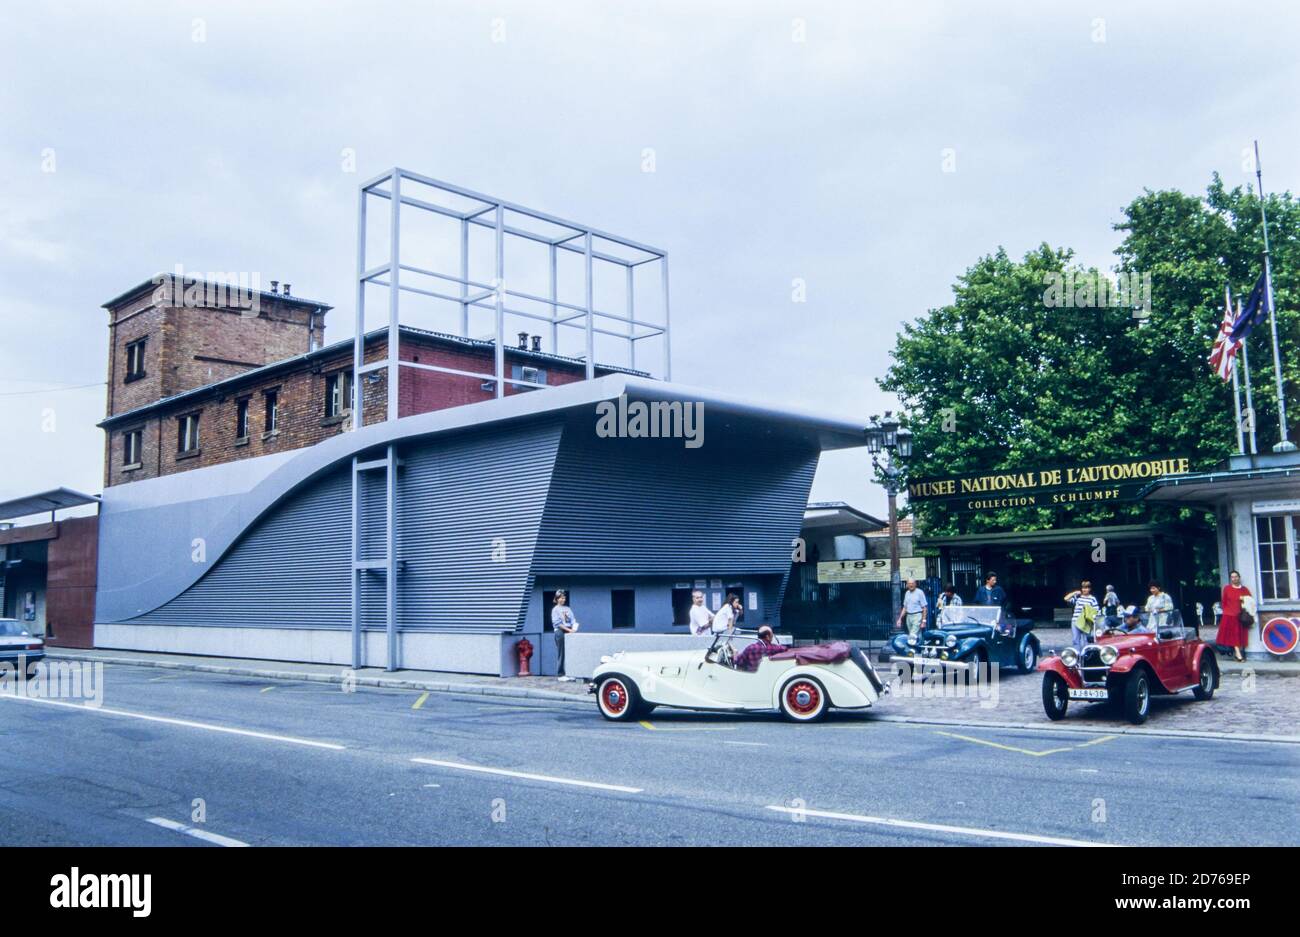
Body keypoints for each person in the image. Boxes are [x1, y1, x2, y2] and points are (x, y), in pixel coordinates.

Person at [1217, 571, 1251, 662]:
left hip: (1240, 616)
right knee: (1233, 636)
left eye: (1236, 576)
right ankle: (1238, 654)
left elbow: (1250, 601)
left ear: (1239, 577)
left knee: (1239, 635)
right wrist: (1226, 611)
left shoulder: (1244, 590)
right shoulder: (1227, 588)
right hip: (1229, 615)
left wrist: (1243, 599)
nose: (1234, 578)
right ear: (1230, 579)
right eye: (1232, 577)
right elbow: (1224, 602)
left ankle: (1237, 653)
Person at [1063, 580, 1100, 649]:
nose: (1084, 590)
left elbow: (1096, 611)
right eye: (1083, 588)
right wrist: (1074, 593)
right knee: (1075, 640)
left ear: (1089, 589)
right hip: (1075, 621)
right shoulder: (1078, 597)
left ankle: (1086, 656)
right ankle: (1077, 654)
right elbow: (1066, 598)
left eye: (1086, 588)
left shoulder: (1092, 599)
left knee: (1086, 640)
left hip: (1086, 622)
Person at [551, 591, 579, 677]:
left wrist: (574, 627)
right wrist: (568, 630)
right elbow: (557, 623)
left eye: (564, 597)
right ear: (557, 599)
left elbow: (572, 619)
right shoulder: (555, 609)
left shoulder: (568, 609)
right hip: (560, 631)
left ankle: (571, 672)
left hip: (569, 629)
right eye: (561, 598)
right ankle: (561, 674)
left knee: (571, 652)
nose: (563, 599)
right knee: (562, 652)